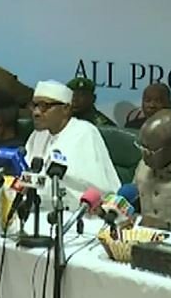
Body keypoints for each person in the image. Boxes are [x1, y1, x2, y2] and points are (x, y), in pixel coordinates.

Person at [25, 80, 121, 209]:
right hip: (38, 207)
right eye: (34, 105)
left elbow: (96, 188)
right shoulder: (38, 134)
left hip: (77, 212)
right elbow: (27, 176)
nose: (36, 112)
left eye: (44, 106)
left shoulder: (84, 132)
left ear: (65, 109)